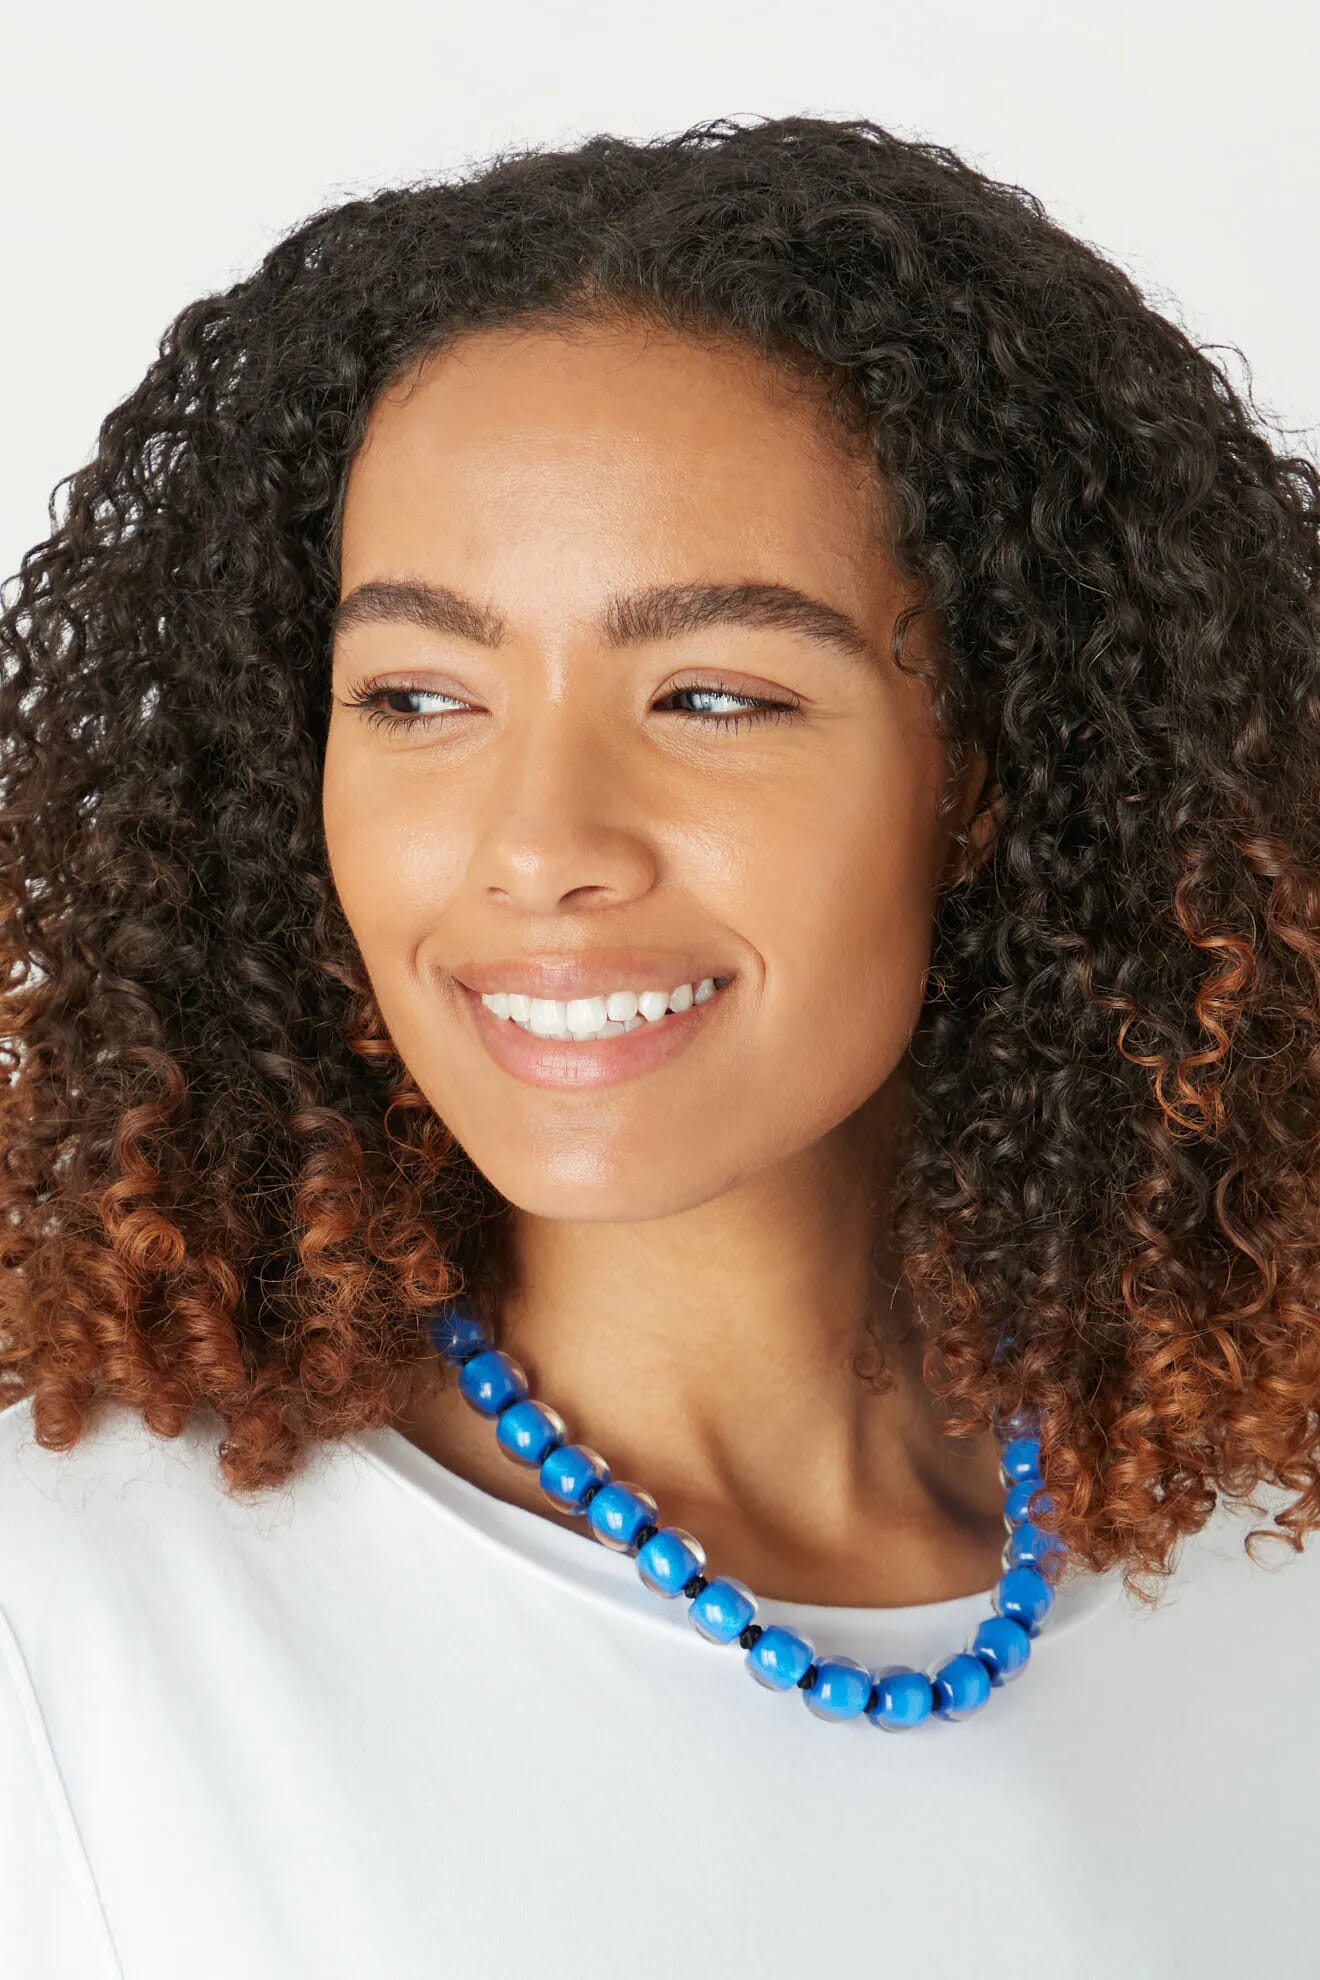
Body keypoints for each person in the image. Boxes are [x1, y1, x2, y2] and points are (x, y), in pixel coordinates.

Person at [1, 112, 1317, 1980]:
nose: (540, 845)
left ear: (995, 776)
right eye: (417, 696)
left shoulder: (1260, 1570)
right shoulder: (70, 1627)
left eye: (713, 694)